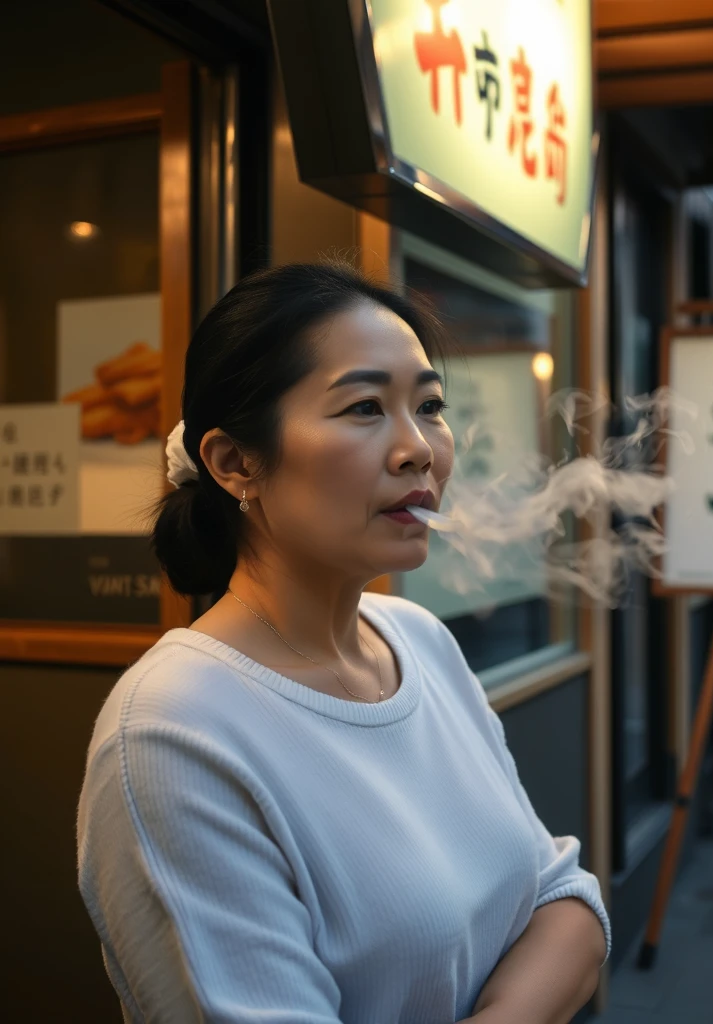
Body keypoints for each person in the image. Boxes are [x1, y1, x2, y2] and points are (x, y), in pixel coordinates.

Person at [76, 262, 611, 1023]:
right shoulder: (172, 731)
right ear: (236, 464)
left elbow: (566, 899)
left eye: (429, 405)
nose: (418, 449)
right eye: (364, 408)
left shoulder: (417, 639)